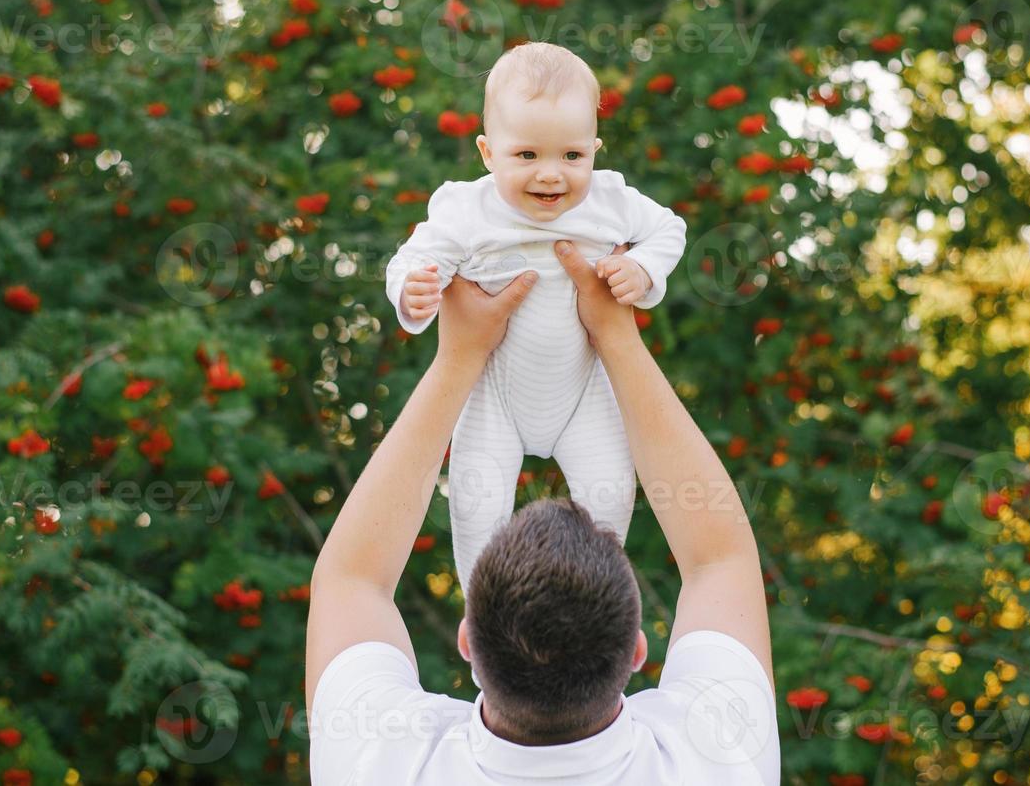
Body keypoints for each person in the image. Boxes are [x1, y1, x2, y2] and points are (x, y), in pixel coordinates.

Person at [306, 240, 780, 783]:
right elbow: (720, 558)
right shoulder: (716, 756)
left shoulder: (380, 756)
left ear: (467, 642)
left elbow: (351, 578)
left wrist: (459, 356)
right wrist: (615, 335)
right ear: (635, 652)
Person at [384, 42, 686, 596]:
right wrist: (412, 290)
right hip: (493, 393)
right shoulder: (465, 210)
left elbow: (670, 230)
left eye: (572, 157)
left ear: (594, 149)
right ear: (487, 152)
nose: (552, 175)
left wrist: (641, 269)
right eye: (527, 156)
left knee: (610, 495)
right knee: (477, 506)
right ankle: (482, 626)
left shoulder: (611, 200)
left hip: (583, 389)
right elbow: (411, 259)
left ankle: (599, 614)